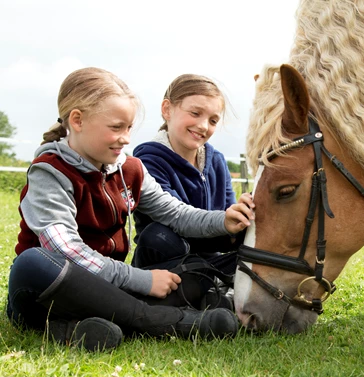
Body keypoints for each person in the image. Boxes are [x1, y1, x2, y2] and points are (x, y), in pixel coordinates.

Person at [5, 67, 254, 352]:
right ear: (77, 120)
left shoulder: (131, 169)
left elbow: (176, 213)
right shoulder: (49, 172)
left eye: (129, 128)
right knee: (35, 261)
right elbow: (66, 250)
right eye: (116, 127)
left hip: (108, 289)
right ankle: (161, 321)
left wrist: (224, 220)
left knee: (192, 275)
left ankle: (74, 329)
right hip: (49, 289)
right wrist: (142, 280)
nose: (125, 138)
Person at [132, 74, 245, 273]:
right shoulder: (148, 159)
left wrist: (241, 219)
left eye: (213, 120)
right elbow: (176, 218)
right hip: (167, 263)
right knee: (158, 235)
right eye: (195, 113)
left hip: (211, 260)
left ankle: (212, 284)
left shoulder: (217, 161)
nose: (203, 126)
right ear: (167, 109)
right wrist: (223, 221)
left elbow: (226, 229)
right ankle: (211, 284)